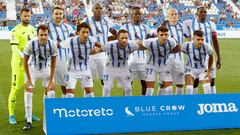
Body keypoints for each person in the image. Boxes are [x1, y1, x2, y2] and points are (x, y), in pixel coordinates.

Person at [8, 8, 39, 125]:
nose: (27, 18)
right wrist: (25, 56)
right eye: (25, 16)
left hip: (30, 66)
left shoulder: (32, 29)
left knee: (29, 90)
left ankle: (28, 114)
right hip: (19, 65)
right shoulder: (15, 30)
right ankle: (11, 114)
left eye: (28, 16)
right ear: (20, 16)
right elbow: (14, 48)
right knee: (15, 89)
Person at [22, 25, 57, 130]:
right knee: (28, 93)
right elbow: (25, 60)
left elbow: (54, 62)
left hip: (46, 70)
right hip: (32, 70)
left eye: (45, 35)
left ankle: (49, 118)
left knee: (51, 92)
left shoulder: (52, 44)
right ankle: (29, 121)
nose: (43, 37)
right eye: (41, 35)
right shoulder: (30, 44)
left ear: (48, 35)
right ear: (37, 35)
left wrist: (51, 80)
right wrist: (28, 79)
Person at [184, 6, 221, 94]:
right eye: (201, 12)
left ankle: (212, 101)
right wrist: (189, 38)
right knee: (195, 81)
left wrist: (219, 57)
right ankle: (195, 102)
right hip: (195, 56)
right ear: (197, 14)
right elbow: (182, 26)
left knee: (211, 81)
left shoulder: (212, 24)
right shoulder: (191, 23)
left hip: (209, 56)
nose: (203, 13)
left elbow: (215, 40)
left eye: (205, 12)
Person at [91, 29, 140, 97]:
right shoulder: (109, 45)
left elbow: (142, 46)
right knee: (106, 88)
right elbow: (97, 50)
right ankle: (106, 105)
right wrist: (86, 52)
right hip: (109, 70)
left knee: (128, 88)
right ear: (118, 38)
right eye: (122, 38)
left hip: (124, 69)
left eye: (126, 38)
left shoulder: (132, 45)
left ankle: (128, 105)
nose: (124, 40)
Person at [83, 3, 117, 93]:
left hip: (104, 57)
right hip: (90, 56)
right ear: (92, 10)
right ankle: (88, 101)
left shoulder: (107, 21)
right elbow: (80, 36)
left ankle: (104, 101)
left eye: (100, 8)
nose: (98, 10)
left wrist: (107, 43)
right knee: (89, 81)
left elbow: (115, 34)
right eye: (96, 8)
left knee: (105, 80)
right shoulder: (86, 21)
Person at [61, 23, 102, 98]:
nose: (85, 34)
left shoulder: (92, 40)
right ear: (77, 33)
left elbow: (101, 47)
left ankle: (89, 109)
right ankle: (67, 109)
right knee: (70, 94)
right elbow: (59, 45)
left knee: (90, 94)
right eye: (83, 32)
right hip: (71, 71)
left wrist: (96, 51)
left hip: (85, 70)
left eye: (87, 32)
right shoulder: (70, 41)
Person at [140, 22, 180, 96]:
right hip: (151, 66)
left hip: (164, 66)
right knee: (149, 90)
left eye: (166, 35)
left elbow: (178, 46)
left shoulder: (172, 41)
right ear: (157, 35)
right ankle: (146, 105)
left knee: (169, 89)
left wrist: (170, 51)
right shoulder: (150, 42)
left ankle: (161, 102)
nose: (164, 37)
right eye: (161, 35)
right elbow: (139, 44)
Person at [121, 6, 152, 95]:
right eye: (135, 14)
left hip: (143, 61)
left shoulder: (146, 28)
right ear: (131, 15)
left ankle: (143, 103)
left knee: (145, 85)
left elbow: (149, 44)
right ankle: (124, 105)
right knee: (127, 86)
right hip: (129, 61)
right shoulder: (125, 27)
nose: (137, 16)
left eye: (139, 14)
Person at [159, 8, 190, 95]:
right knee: (165, 85)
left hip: (179, 60)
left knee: (180, 85)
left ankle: (178, 105)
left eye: (176, 14)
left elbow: (189, 38)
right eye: (172, 14)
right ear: (167, 16)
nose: (174, 16)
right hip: (166, 60)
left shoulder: (182, 26)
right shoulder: (162, 27)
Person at [47, 6, 74, 98]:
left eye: (60, 14)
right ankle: (47, 112)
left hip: (65, 62)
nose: (58, 16)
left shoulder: (68, 27)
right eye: (56, 14)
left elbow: (72, 42)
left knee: (66, 88)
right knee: (49, 88)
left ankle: (64, 108)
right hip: (49, 62)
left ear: (63, 15)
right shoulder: (46, 27)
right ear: (52, 15)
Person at [181, 30, 213, 95]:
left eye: (202, 39)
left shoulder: (207, 46)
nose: (200, 41)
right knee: (189, 88)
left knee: (207, 87)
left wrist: (209, 71)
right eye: (198, 39)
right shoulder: (186, 45)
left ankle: (207, 103)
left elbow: (211, 56)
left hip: (202, 69)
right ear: (193, 38)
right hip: (190, 69)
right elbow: (181, 50)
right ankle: (189, 104)